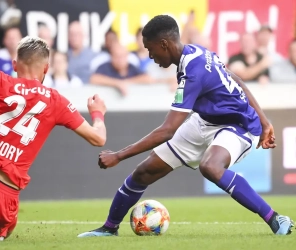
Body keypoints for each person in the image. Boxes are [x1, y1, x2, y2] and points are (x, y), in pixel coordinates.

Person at [77, 15, 294, 238]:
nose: (150, 56)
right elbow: (234, 77)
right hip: (205, 121)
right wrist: (266, 121)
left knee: (211, 166)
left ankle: (275, 218)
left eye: (151, 50)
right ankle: (109, 228)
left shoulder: (193, 71)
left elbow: (167, 130)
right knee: (144, 172)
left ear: (164, 44)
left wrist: (119, 156)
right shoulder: (194, 52)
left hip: (238, 125)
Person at [0, 36, 107, 241]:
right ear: (46, 68)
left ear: (14, 64)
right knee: (6, 230)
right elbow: (98, 138)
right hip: (5, 200)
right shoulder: (55, 101)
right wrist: (98, 113)